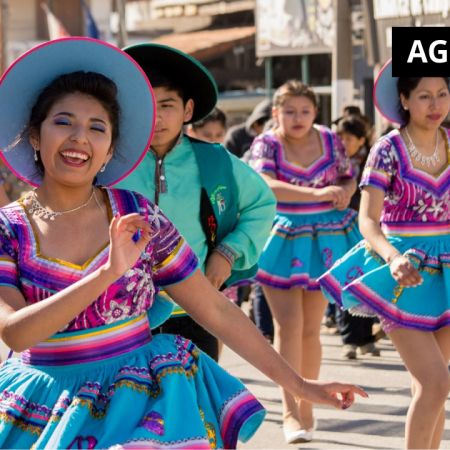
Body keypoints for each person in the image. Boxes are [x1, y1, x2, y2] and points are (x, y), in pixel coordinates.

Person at [0, 38, 367, 449]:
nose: (79, 138)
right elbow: (15, 333)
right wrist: (108, 273)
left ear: (109, 151)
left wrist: (300, 385)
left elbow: (214, 309)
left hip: (140, 398)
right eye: (63, 122)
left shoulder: (139, 215)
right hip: (47, 405)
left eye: (97, 127)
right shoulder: (8, 228)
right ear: (34, 134)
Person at [319, 61, 450, 449]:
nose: (435, 103)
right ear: (405, 100)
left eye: (442, 93)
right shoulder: (386, 149)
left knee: (434, 386)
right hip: (402, 275)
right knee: (437, 382)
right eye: (424, 95)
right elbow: (368, 221)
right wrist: (393, 258)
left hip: (446, 274)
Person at [117, 43, 276, 362]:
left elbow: (262, 204)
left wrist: (228, 252)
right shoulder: (110, 161)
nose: (157, 116)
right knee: (130, 406)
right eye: (146, 104)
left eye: (167, 105)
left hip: (198, 308)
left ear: (188, 110)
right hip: (121, 313)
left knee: (197, 406)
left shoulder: (215, 161)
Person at [249, 80, 362, 444]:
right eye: (290, 111)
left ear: (316, 112)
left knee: (312, 328)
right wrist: (316, 192)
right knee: (288, 325)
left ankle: (308, 405)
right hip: (281, 236)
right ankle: (289, 410)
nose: (298, 118)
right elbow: (264, 183)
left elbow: (348, 172)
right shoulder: (267, 142)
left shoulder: (330, 139)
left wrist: (346, 189)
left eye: (306, 111)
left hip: (325, 238)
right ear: (276, 112)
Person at [334, 114, 381, 359]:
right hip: (341, 230)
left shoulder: (372, 162)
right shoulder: (334, 162)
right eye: (340, 136)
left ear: (361, 140)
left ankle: (367, 338)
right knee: (347, 283)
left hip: (369, 230)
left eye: (349, 138)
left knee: (368, 284)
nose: (343, 142)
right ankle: (349, 340)